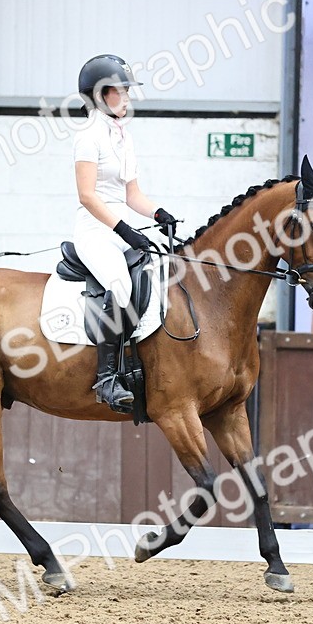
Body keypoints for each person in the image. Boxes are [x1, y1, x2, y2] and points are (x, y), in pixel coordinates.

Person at [72, 54, 181, 412]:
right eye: (121, 91)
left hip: (121, 228)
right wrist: (124, 230)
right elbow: (87, 196)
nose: (128, 98)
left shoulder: (124, 137)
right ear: (100, 95)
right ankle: (106, 380)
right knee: (120, 284)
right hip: (94, 229)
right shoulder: (88, 137)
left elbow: (132, 195)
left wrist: (158, 213)